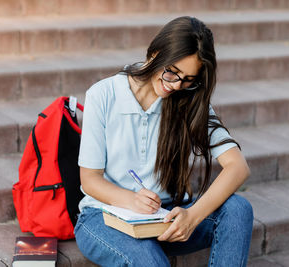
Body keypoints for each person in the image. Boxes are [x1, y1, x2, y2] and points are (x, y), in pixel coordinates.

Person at [74, 16, 253, 267]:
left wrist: (192, 215)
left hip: (165, 218)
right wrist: (131, 200)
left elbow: (237, 166)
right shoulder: (103, 95)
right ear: (156, 53)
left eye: (189, 79)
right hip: (104, 218)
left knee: (237, 210)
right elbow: (90, 180)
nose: (176, 85)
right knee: (149, 260)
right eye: (173, 73)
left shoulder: (188, 99)